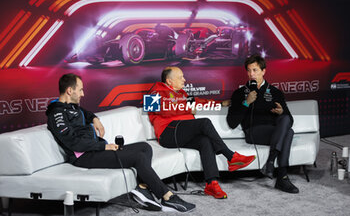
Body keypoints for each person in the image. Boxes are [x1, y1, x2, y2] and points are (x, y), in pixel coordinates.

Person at [46, 73, 195, 212]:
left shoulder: (72, 107)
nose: (83, 94)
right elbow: (73, 143)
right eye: (80, 90)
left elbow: (87, 113)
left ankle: (142, 187)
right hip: (83, 156)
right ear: (70, 91)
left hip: (95, 150)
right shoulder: (57, 113)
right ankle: (167, 197)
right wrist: (104, 146)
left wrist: (95, 119)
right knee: (138, 157)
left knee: (144, 147)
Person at [148, 67, 256, 199]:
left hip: (182, 132)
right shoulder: (154, 92)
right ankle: (231, 156)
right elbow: (158, 111)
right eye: (181, 77)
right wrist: (186, 109)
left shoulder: (182, 94)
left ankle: (212, 184)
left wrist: (220, 104)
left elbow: (199, 102)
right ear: (169, 81)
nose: (184, 79)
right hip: (168, 133)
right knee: (204, 122)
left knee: (205, 141)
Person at [226, 54, 299, 194]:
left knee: (287, 125)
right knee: (288, 133)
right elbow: (232, 123)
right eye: (249, 70)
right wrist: (246, 102)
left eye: (255, 70)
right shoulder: (239, 93)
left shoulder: (275, 92)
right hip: (253, 132)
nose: (251, 74)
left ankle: (271, 163)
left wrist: (281, 112)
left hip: (274, 132)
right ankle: (281, 176)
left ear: (264, 71)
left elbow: (289, 119)